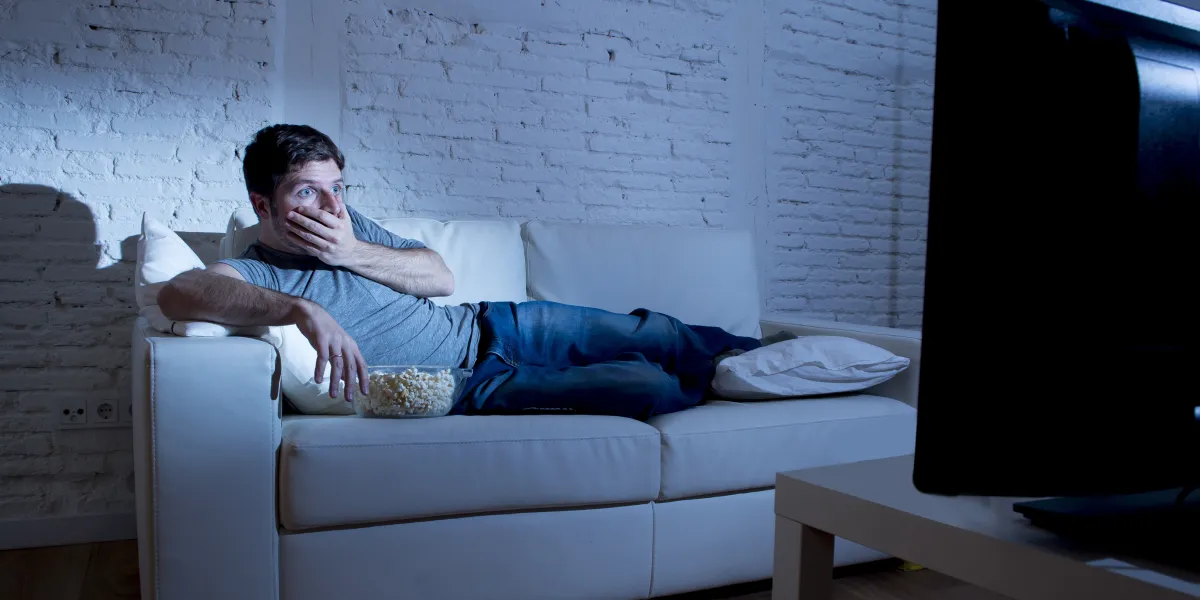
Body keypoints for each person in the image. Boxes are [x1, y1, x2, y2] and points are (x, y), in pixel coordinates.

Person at [159, 124, 783, 420]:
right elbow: (179, 292)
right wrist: (302, 309)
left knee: (654, 334)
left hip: (498, 326)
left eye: (337, 188)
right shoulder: (250, 270)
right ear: (262, 205)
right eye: (306, 194)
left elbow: (439, 277)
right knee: (641, 386)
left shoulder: (350, 227)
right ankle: (731, 381)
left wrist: (349, 251)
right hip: (470, 388)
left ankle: (781, 364)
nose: (331, 208)